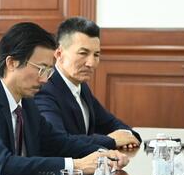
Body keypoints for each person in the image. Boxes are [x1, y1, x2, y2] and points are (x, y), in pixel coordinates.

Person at [0, 22, 128, 175]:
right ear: (12, 63)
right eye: (41, 69)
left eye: (48, 71)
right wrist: (76, 165)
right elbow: (2, 165)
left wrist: (103, 154)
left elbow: (59, 143)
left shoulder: (27, 104)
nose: (44, 80)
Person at [35, 17, 140, 149]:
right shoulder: (45, 90)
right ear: (59, 54)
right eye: (83, 53)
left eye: (96, 55)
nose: (91, 63)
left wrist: (128, 135)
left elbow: (109, 123)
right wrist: (111, 140)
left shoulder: (81, 86)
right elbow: (58, 141)